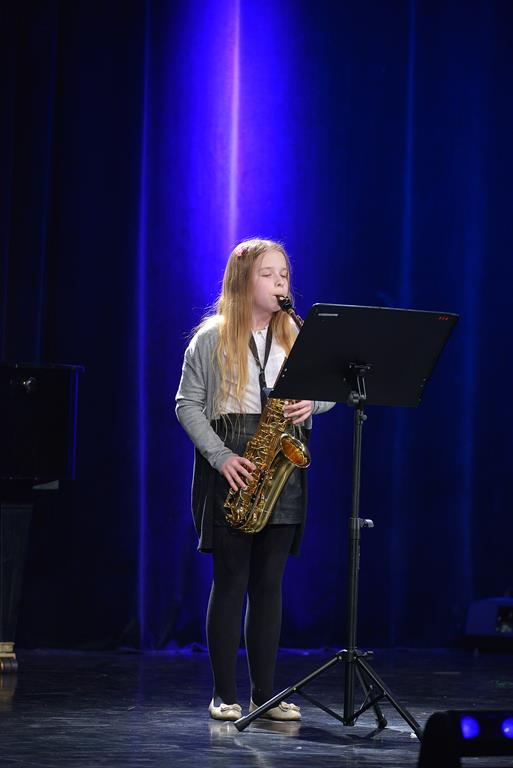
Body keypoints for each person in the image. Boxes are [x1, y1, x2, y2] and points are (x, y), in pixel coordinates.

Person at [175, 238, 333, 722]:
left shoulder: (296, 334)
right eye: (269, 274)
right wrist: (222, 457)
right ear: (243, 280)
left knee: (269, 584)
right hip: (232, 459)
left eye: (284, 274)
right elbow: (186, 405)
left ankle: (264, 696)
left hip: (281, 456)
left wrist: (314, 403)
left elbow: (329, 390)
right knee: (231, 580)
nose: (281, 282)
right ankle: (223, 694)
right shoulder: (211, 337)